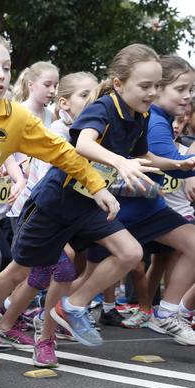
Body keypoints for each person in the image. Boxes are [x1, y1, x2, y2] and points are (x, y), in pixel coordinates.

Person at [0, 38, 159, 369]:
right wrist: (120, 164)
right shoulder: (103, 108)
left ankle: (66, 314)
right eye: (145, 85)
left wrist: (180, 164)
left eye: (156, 85)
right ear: (120, 83)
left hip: (91, 205)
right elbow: (83, 144)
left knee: (131, 253)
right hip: (55, 204)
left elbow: (142, 157)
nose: (151, 92)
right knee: (19, 272)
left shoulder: (140, 116)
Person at [86, 52, 195, 342]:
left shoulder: (150, 117)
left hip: (148, 208)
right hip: (118, 209)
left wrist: (180, 165)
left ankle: (168, 313)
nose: (188, 97)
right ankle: (8, 317)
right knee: (67, 271)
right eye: (181, 89)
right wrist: (182, 164)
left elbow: (164, 162)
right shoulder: (154, 121)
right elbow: (167, 162)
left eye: (191, 90)